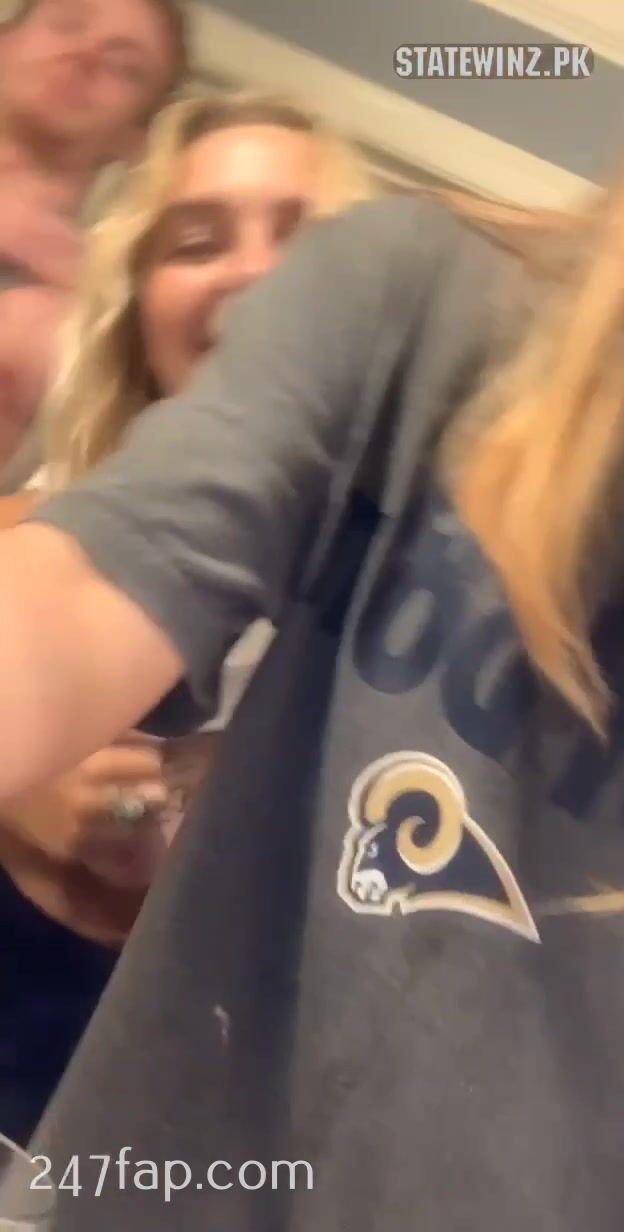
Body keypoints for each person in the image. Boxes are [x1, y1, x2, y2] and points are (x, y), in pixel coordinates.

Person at [0, 172, 619, 1230]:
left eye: (285, 227)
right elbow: (81, 597)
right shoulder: (426, 311)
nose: (248, 273)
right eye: (197, 239)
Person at [0, 89, 374, 1147]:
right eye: (197, 241)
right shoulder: (23, 543)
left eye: (308, 243)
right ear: (138, 310)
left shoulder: (416, 671)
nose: (253, 275)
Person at [0, 0, 188, 490]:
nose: (85, 56)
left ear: (136, 138)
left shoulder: (97, 330)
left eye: (125, 67)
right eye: (68, 23)